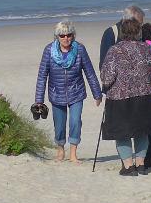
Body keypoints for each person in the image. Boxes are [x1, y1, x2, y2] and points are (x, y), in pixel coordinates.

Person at [98, 17, 151, 177]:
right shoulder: (146, 49)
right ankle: (140, 164)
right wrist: (148, 85)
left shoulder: (114, 50)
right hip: (144, 97)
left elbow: (107, 78)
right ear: (138, 32)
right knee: (142, 130)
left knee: (122, 132)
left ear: (122, 32)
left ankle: (128, 166)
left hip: (120, 99)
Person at [34, 20, 102, 163]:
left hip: (76, 92)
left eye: (69, 35)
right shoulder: (48, 50)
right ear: (57, 36)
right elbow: (42, 76)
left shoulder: (80, 49)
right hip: (56, 93)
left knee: (75, 121)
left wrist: (97, 93)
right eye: (62, 35)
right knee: (59, 124)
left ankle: (73, 153)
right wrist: (39, 100)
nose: (66, 38)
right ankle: (60, 150)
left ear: (73, 35)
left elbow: (89, 72)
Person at [99, 4, 144, 70]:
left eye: (141, 24)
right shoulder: (111, 32)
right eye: (139, 24)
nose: (140, 27)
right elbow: (104, 62)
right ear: (128, 21)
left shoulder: (140, 33)